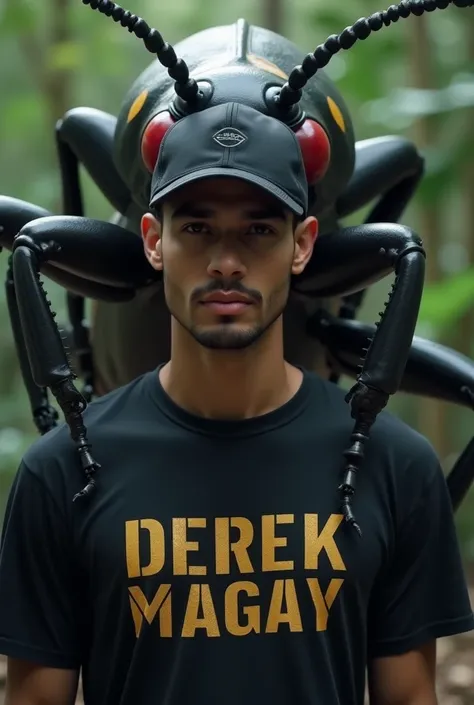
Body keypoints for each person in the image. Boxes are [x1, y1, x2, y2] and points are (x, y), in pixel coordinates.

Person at [0, 101, 472, 705]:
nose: (226, 262)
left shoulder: (398, 466)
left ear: (303, 245)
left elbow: (408, 697)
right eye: (196, 228)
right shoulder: (57, 471)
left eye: (259, 230)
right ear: (152, 240)